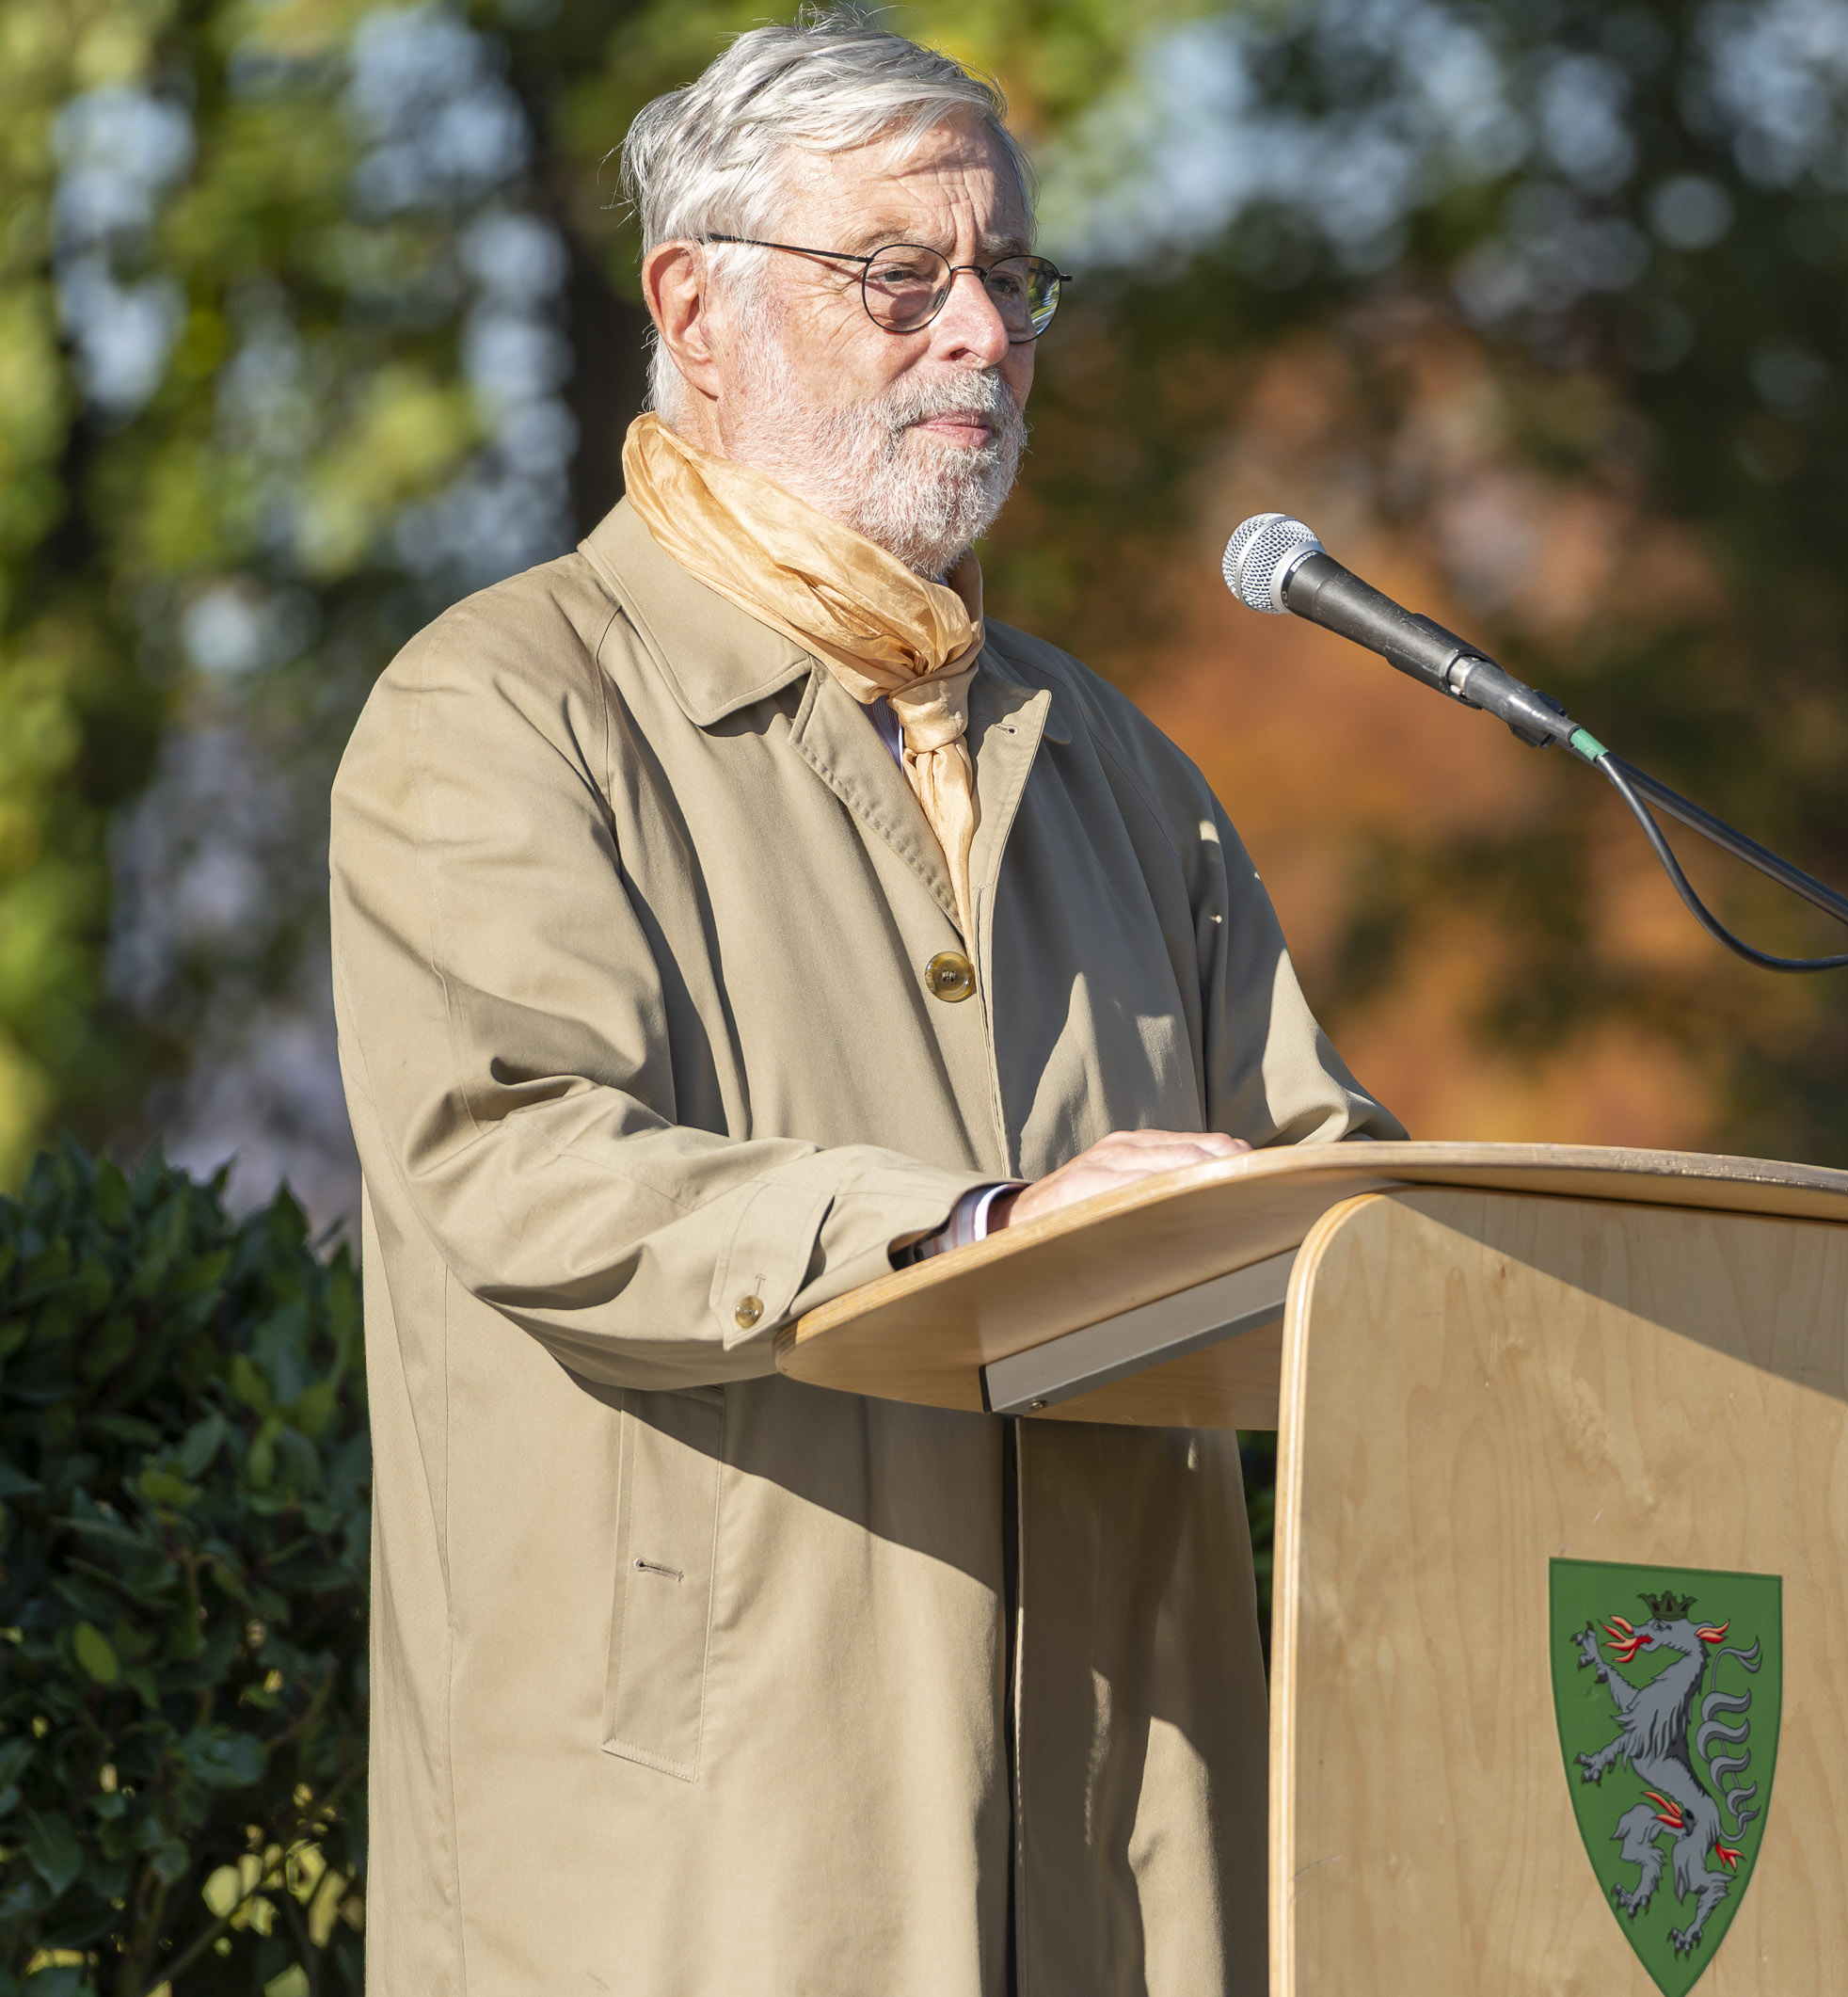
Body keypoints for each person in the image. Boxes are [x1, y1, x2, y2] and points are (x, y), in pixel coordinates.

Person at [327, 17, 1397, 1994]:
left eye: (1010, 279)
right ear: (695, 308)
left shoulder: (1120, 765)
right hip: (706, 1878)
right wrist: (972, 1232)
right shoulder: (499, 707)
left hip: (1126, 1869)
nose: (979, 333)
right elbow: (516, 1160)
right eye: (900, 278)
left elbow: (1340, 1210)